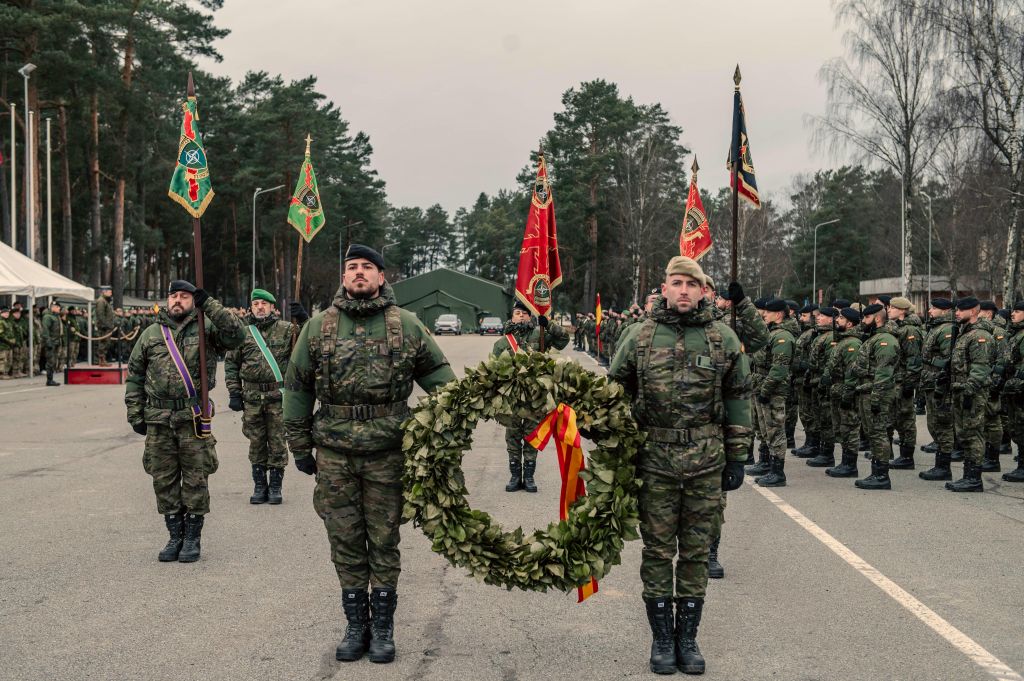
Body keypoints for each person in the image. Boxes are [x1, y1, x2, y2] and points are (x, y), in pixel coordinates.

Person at [283, 244, 455, 665]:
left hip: (388, 451)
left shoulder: (407, 325)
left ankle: (382, 628)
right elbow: (298, 386)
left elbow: (441, 380)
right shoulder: (319, 327)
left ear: (381, 276)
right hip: (335, 453)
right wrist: (300, 446)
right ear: (343, 277)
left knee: (384, 539)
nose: (358, 273)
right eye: (351, 268)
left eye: (367, 268)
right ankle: (355, 625)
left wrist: (449, 427)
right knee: (343, 539)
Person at [609, 256, 750, 675]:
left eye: (692, 283)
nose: (684, 290)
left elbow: (739, 397)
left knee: (694, 552)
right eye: (677, 282)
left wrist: (738, 456)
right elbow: (614, 390)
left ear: (704, 290)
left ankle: (687, 638)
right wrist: (609, 436)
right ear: (664, 288)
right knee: (656, 551)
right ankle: (661, 639)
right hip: (654, 461)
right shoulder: (639, 336)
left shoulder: (722, 338)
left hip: (706, 463)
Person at [125, 280, 246, 563]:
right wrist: (135, 413)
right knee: (163, 480)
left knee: (195, 478)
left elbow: (237, 335)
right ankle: (174, 536)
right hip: (158, 419)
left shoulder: (207, 329)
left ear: (193, 301)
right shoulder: (151, 334)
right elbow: (134, 376)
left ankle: (192, 538)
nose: (178, 301)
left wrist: (211, 305)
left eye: (184, 296)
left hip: (192, 418)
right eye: (173, 296)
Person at [225, 289, 297, 505]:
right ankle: (259, 485)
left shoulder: (286, 330)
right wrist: (234, 392)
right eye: (256, 304)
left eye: (264, 304)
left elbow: (308, 342)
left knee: (277, 441)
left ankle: (275, 486)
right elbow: (231, 364)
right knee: (256, 442)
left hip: (278, 396)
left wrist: (302, 318)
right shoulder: (242, 333)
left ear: (273, 307)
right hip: (252, 397)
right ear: (251, 308)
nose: (260, 307)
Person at [491, 298, 569, 492]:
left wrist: (548, 324)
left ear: (530, 315)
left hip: (535, 398)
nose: (521, 316)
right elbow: (493, 369)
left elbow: (563, 340)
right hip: (512, 400)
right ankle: (515, 476)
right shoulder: (502, 342)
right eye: (517, 313)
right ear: (512, 316)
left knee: (532, 436)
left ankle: (530, 477)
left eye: (525, 313)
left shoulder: (539, 334)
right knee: (513, 438)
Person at [947, 297, 995, 492]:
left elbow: (980, 367)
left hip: (972, 392)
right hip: (961, 390)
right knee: (964, 434)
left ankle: (974, 478)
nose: (957, 312)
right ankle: (968, 475)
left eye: (961, 309)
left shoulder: (979, 336)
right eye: (956, 309)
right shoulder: (964, 333)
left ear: (974, 311)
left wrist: (969, 390)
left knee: (973, 434)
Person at [850, 304, 899, 489]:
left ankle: (881, 476)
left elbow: (883, 374)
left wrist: (877, 398)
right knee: (873, 433)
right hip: (868, 391)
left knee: (879, 434)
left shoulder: (885, 341)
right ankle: (876, 472)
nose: (863, 321)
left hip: (877, 393)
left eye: (866, 318)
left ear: (877, 318)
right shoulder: (875, 338)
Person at [750, 299, 795, 486]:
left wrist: (766, 391)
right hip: (762, 387)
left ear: (778, 315)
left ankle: (778, 472)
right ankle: (767, 464)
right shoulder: (772, 333)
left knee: (775, 430)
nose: (764, 315)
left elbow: (779, 369)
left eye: (768, 312)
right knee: (765, 429)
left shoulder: (782, 337)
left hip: (773, 391)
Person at [822, 308, 864, 476]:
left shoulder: (852, 343)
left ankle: (850, 465)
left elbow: (852, 372)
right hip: (838, 389)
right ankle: (845, 462)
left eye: (841, 318)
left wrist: (848, 393)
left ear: (850, 323)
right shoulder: (843, 340)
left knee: (850, 427)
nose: (837, 320)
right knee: (842, 428)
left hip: (846, 390)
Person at [885, 297, 923, 468]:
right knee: (895, 418)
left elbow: (913, 359)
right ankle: (900, 455)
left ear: (902, 311)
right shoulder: (899, 327)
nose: (889, 310)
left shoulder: (909, 330)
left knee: (905, 419)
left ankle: (907, 457)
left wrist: (910, 383)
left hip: (903, 381)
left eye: (893, 308)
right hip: (896, 380)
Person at [1001, 301, 1024, 482]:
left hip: (1020, 388)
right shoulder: (1015, 334)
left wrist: (1016, 381)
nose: (1013, 314)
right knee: (1016, 427)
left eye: (1017, 311)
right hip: (1013, 388)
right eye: (1013, 311)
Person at [41, 301, 65, 386]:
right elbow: (45, 331)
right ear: (53, 307)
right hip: (51, 342)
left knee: (53, 361)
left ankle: (51, 379)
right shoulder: (48, 317)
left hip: (56, 342)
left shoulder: (56, 316)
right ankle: (49, 380)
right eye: (58, 307)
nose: (59, 309)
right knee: (50, 362)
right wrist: (48, 342)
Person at [94, 286, 115, 366]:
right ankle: (101, 361)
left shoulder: (105, 301)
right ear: (104, 292)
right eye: (109, 291)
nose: (111, 293)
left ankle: (103, 360)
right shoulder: (101, 301)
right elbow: (100, 315)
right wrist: (107, 325)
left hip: (107, 327)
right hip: (104, 327)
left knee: (106, 343)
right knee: (103, 343)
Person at [0, 307, 16, 379]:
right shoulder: (1, 322)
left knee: (9, 359)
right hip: (3, 345)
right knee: (3, 360)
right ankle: (2, 374)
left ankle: (6, 373)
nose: (7, 314)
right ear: (1, 313)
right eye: (5, 313)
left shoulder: (7, 322)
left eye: (8, 313)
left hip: (9, 345)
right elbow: (1, 334)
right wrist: (8, 341)